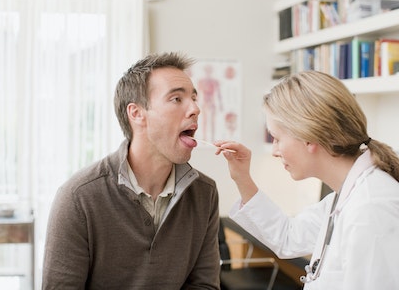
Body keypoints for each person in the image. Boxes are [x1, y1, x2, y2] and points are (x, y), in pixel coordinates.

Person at [42, 52, 221, 289]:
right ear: (137, 114)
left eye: (194, 99)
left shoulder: (204, 193)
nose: (195, 109)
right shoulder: (78, 197)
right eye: (177, 99)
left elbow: (205, 285)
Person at [214, 71, 399, 289]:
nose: (274, 150)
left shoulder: (371, 209)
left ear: (308, 137)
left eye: (277, 138)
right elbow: (289, 237)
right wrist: (242, 177)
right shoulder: (345, 197)